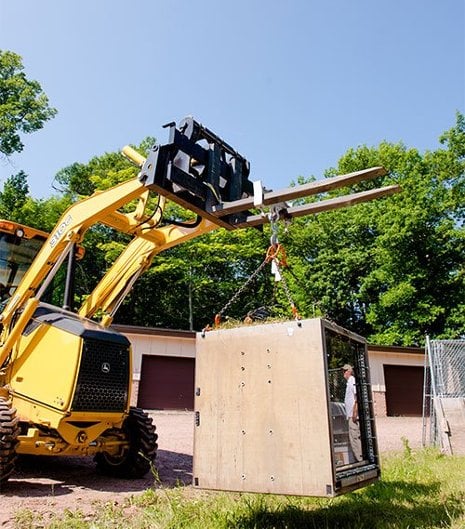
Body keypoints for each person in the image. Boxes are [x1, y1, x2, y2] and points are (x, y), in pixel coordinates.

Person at [342, 364, 363, 462]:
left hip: (353, 415)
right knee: (353, 437)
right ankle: (358, 458)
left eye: (345, 371)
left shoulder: (352, 381)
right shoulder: (349, 382)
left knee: (355, 438)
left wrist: (354, 413)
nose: (344, 373)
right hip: (351, 415)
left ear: (349, 371)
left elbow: (357, 397)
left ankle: (360, 459)